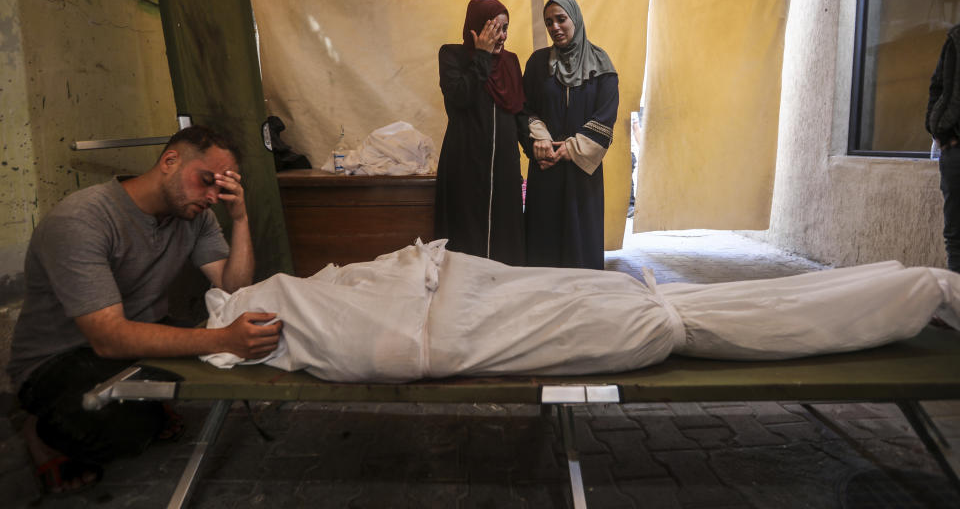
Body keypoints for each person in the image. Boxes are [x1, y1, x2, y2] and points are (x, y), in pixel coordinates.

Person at [201, 239, 960, 383]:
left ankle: (923, 288)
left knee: (658, 306)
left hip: (471, 298)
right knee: (674, 313)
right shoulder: (258, 317)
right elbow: (374, 342)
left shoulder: (256, 302)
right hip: (461, 313)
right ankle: (922, 289)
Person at [7, 125, 283, 494]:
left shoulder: (195, 216)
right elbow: (108, 338)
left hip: (135, 338)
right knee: (123, 433)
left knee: (220, 368)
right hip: (60, 357)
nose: (214, 196)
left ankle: (146, 402)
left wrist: (240, 219)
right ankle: (42, 433)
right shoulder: (82, 220)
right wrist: (221, 340)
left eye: (222, 187)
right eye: (207, 181)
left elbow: (234, 289)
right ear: (170, 161)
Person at [522, 0, 619, 269]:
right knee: (544, 244)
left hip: (581, 171)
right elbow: (524, 108)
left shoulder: (601, 64)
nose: (555, 27)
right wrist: (540, 141)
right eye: (549, 22)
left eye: (561, 19)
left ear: (575, 18)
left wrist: (570, 149)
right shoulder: (538, 64)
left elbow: (606, 114)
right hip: (545, 165)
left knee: (580, 244)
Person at [435, 0, 526, 264]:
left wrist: (534, 147)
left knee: (505, 239)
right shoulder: (452, 56)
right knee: (467, 237)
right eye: (493, 29)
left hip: (504, 169)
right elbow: (461, 96)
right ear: (475, 28)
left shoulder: (511, 62)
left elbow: (518, 110)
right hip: (465, 163)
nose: (501, 37)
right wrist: (482, 56)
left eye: (505, 29)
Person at [926, 23, 960, 272]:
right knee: (955, 234)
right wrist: (937, 128)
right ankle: (955, 302)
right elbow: (937, 85)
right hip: (955, 148)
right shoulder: (956, 39)